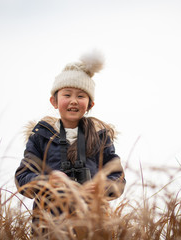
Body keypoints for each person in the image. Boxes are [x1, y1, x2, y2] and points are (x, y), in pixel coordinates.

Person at [14, 50, 126, 235]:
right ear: (54, 101)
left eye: (81, 96)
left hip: (93, 226)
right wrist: (48, 182)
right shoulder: (41, 136)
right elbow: (22, 178)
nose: (74, 101)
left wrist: (100, 187)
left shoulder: (100, 137)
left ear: (90, 104)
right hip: (48, 227)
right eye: (67, 95)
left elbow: (119, 179)